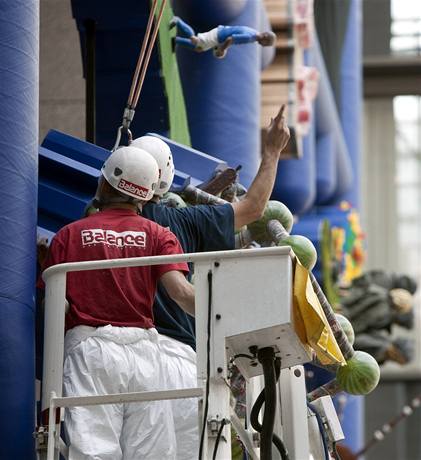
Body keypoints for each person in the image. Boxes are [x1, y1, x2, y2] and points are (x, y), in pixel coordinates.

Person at [130, 104, 290, 459]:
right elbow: (253, 207)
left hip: (115, 356)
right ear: (164, 178)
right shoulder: (180, 223)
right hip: (180, 361)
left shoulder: (90, 227)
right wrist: (272, 151)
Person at [40, 146, 196, 460]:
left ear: (103, 183)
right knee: (151, 452)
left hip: (90, 353)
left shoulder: (68, 236)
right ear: (148, 195)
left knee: (93, 453)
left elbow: (55, 307)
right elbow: (181, 293)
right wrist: (229, 316)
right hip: (144, 356)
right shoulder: (159, 234)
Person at [170, 16, 276, 59]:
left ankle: (177, 40)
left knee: (199, 48)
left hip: (221, 34)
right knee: (195, 40)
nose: (264, 46)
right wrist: (222, 49)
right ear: (265, 37)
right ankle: (178, 21)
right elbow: (231, 39)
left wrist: (221, 46)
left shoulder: (255, 33)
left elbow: (234, 35)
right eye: (266, 44)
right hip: (219, 36)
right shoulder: (250, 37)